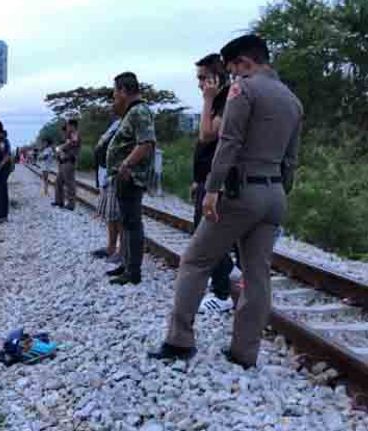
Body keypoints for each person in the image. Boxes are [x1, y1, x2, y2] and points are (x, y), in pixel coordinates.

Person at [149, 34, 303, 368]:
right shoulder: (292, 101)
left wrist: (213, 189)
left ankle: (179, 341)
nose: (232, 76)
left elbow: (228, 142)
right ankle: (244, 353)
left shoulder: (243, 90)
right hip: (274, 194)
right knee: (257, 275)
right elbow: (291, 159)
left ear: (245, 63)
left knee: (195, 261)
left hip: (239, 191)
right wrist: (277, 190)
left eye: (234, 69)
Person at [192, 53, 236, 314]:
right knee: (203, 232)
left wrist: (208, 100)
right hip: (206, 179)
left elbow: (207, 135)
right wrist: (196, 180)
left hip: (217, 181)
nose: (199, 84)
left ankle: (222, 294)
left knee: (206, 235)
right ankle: (227, 271)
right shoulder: (219, 100)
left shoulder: (227, 100)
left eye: (203, 78)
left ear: (216, 77)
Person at [105, 72, 157, 286]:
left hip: (131, 177)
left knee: (132, 223)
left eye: (116, 92)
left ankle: (133, 271)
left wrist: (126, 165)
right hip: (125, 177)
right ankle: (126, 264)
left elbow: (145, 143)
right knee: (126, 223)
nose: (114, 97)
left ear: (124, 90)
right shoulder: (130, 113)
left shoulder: (139, 112)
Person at [92, 118, 124, 263]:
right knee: (111, 214)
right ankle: (111, 247)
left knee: (119, 214)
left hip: (118, 172)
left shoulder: (129, 121)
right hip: (107, 172)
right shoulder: (115, 122)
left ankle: (122, 250)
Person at [52, 119, 81, 210]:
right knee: (58, 182)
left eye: (68, 126)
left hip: (69, 162)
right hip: (63, 162)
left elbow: (72, 143)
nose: (67, 127)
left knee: (70, 183)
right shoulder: (69, 135)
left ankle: (71, 204)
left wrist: (60, 147)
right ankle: (59, 201)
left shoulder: (75, 134)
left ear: (72, 126)